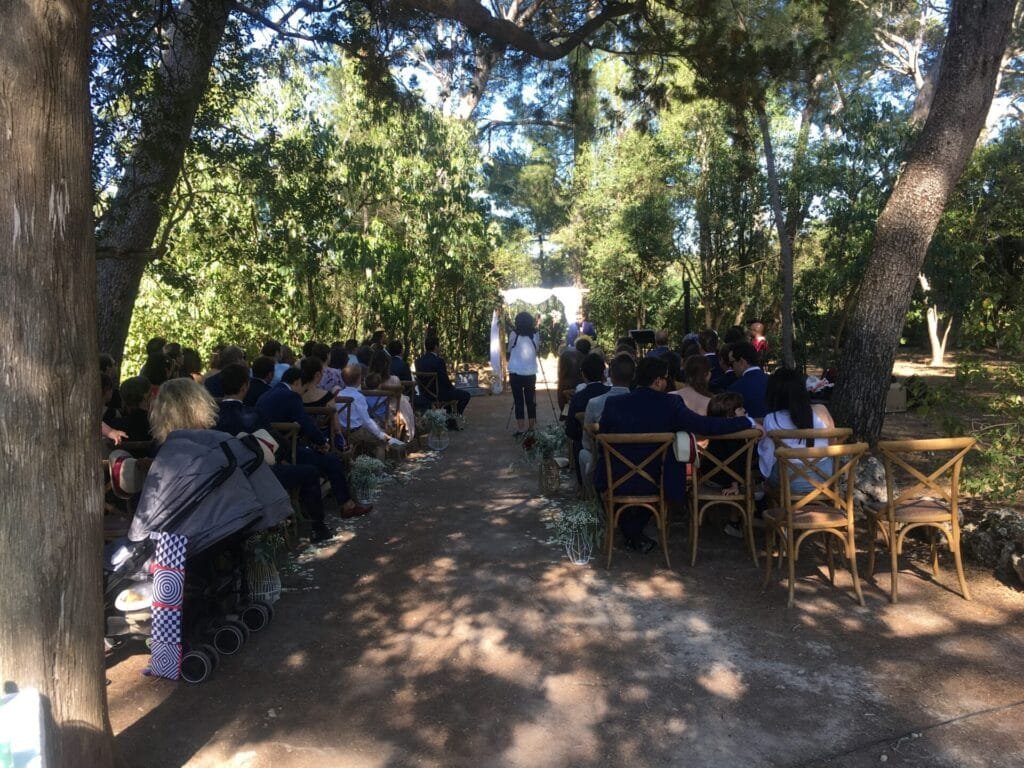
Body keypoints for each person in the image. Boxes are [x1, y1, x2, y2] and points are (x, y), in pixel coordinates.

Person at [595, 357, 755, 553]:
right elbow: (706, 426)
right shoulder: (671, 403)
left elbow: (601, 442)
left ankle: (630, 532)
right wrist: (746, 422)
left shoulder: (614, 403)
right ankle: (633, 532)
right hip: (657, 481)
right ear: (658, 381)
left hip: (615, 479)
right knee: (664, 472)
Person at [216, 362, 335, 543]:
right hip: (257, 474)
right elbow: (278, 444)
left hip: (222, 476)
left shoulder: (212, 417)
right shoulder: (252, 414)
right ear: (245, 387)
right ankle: (318, 528)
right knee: (310, 472)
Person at [256, 367, 373, 520]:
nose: (303, 393)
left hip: (265, 450)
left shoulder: (264, 396)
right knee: (331, 460)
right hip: (287, 451)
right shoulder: (291, 396)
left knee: (319, 457)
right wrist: (322, 442)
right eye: (303, 389)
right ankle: (346, 505)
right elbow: (307, 424)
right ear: (297, 382)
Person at [758, 367, 836, 496]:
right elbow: (833, 445)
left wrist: (765, 476)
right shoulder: (821, 410)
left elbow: (767, 456)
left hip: (789, 481)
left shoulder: (771, 419)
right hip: (826, 477)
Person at [579, 354, 636, 483]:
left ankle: (591, 499)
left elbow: (587, 443)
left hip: (608, 470)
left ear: (609, 374)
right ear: (633, 376)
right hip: (641, 466)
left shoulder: (595, 403)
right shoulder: (641, 404)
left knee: (583, 453)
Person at [339, 364, 404, 458]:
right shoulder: (359, 397)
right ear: (359, 379)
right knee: (381, 441)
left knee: (374, 435)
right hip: (356, 432)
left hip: (342, 432)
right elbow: (366, 421)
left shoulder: (338, 395)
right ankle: (379, 469)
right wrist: (380, 434)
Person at [565, 352, 609, 483]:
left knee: (577, 441)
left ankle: (582, 486)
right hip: (611, 447)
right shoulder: (611, 394)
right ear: (603, 373)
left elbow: (571, 431)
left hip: (588, 447)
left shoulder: (578, 397)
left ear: (583, 374)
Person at [415, 337, 470, 429]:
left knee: (447, 393)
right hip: (439, 395)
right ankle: (453, 416)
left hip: (425, 395)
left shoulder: (418, 362)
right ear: (436, 347)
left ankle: (449, 421)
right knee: (466, 395)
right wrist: (452, 388)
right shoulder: (439, 361)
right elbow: (445, 380)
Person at [507, 311, 541, 436]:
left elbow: (509, 348)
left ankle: (521, 429)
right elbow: (537, 349)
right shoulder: (535, 334)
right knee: (530, 401)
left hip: (515, 372)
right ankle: (531, 428)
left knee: (518, 401)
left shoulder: (514, 334)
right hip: (530, 372)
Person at [726, 342, 769, 418]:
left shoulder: (735, 389)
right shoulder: (774, 382)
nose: (731, 368)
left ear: (742, 361)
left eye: (731, 363)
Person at [110, 375, 154, 442]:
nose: (154, 395)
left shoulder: (116, 426)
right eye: (151, 393)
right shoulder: (154, 426)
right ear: (145, 397)